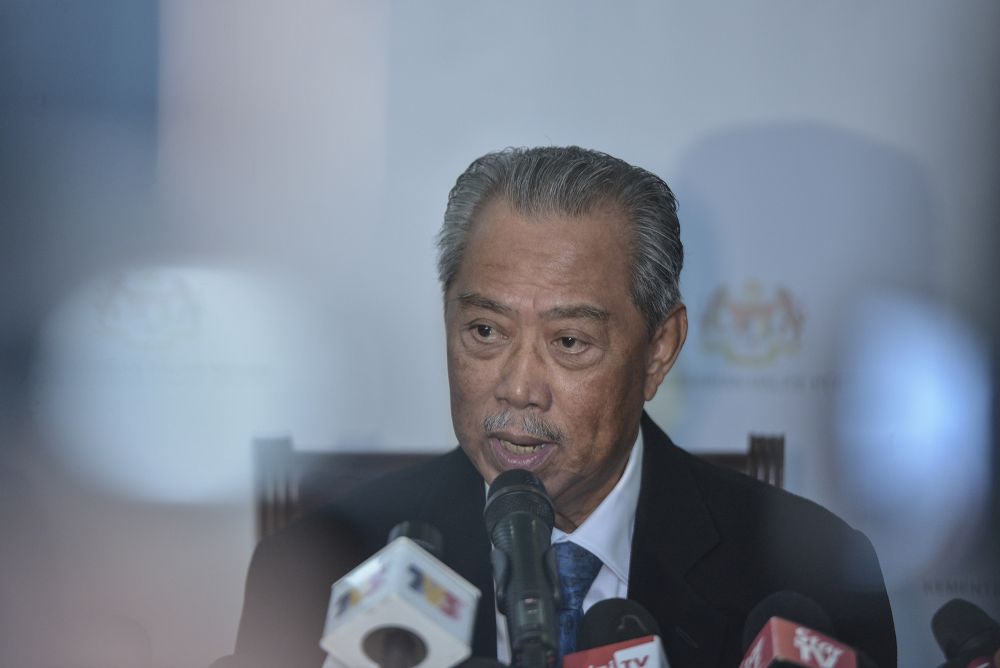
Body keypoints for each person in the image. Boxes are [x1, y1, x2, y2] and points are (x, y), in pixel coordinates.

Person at [225, 147, 896, 667]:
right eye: (485, 332)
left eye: (569, 342)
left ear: (659, 351)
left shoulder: (813, 581)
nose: (518, 386)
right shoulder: (319, 567)